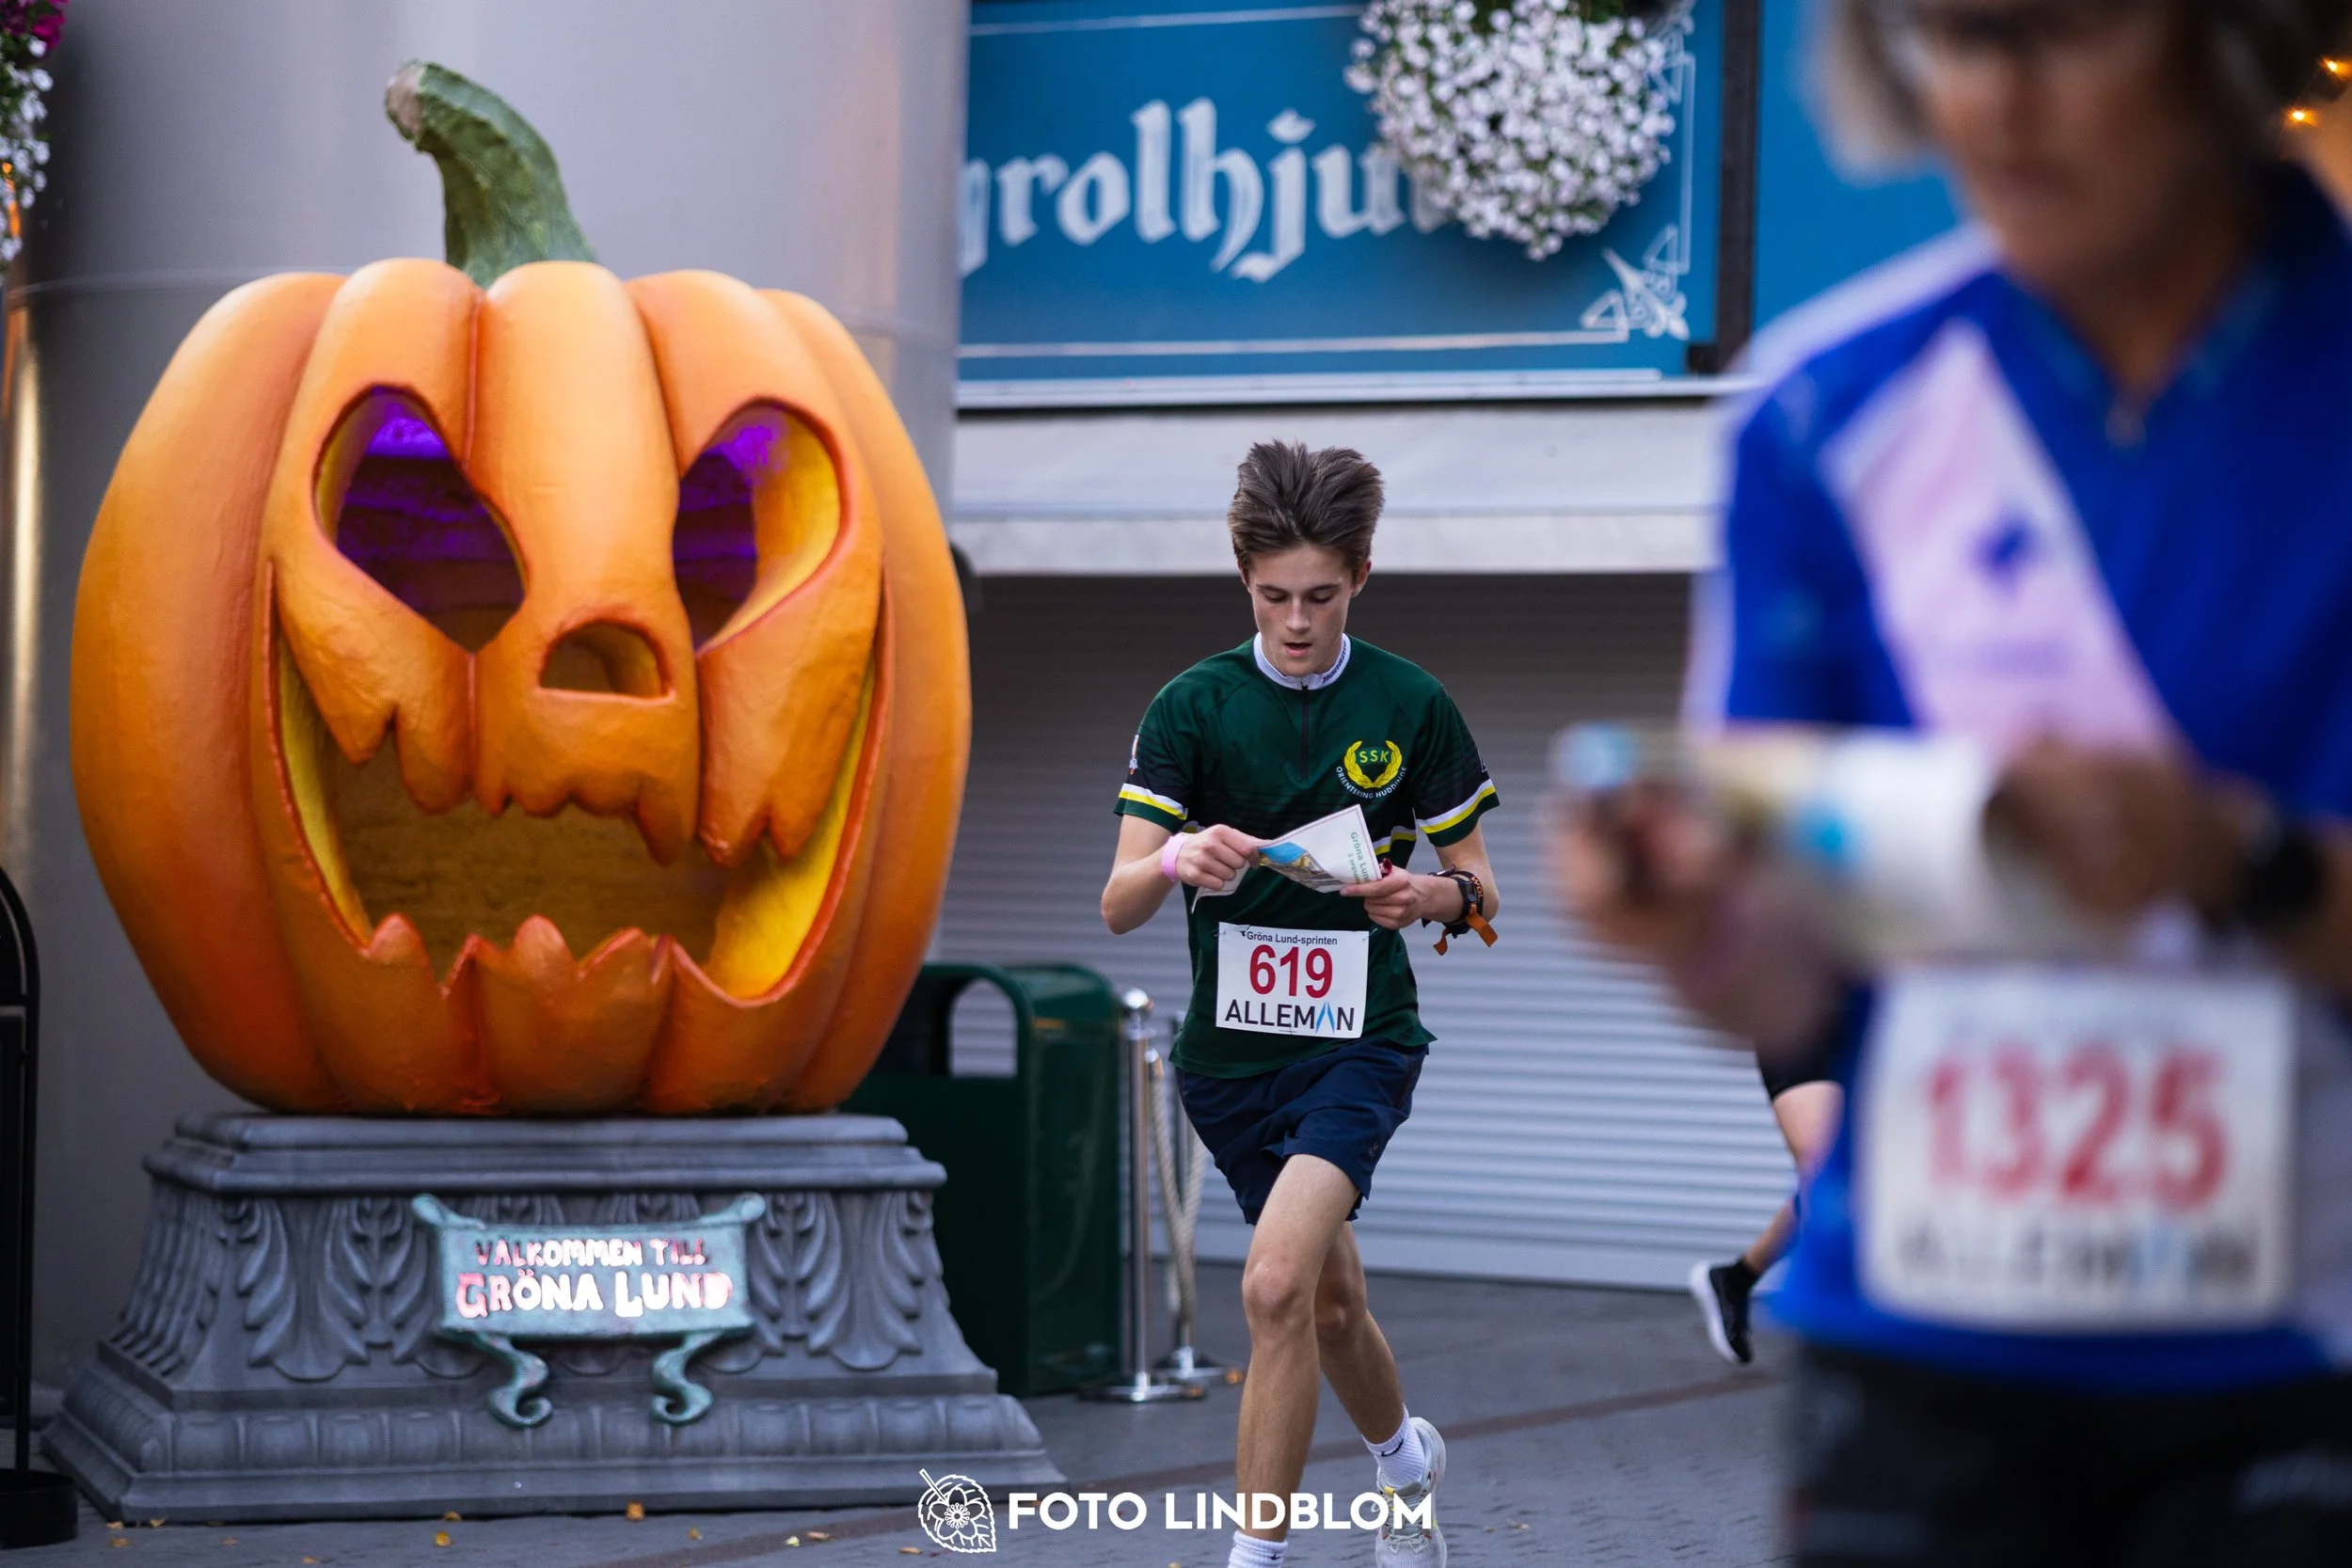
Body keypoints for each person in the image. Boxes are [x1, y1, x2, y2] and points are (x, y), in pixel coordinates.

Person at [1560, 0, 2352, 1559]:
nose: (1995, 97)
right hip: (1915, 1348)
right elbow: (1793, 983)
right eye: (1950, 34)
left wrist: (2235, 858)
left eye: (2056, 30)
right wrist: (1687, 923)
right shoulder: (1820, 410)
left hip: (2301, 1353)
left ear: (2222, 36)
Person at [1102, 441, 1499, 1568]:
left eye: (1319, 596)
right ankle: (1407, 1459)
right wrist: (1179, 858)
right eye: (1273, 595)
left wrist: (1431, 891)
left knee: (1273, 1283)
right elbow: (1118, 902)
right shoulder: (1192, 707)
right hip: (1226, 1064)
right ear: (1243, 578)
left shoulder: (1409, 703)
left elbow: (1480, 893)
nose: (1295, 621)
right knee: (1327, 1306)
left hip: (1359, 1044)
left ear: (1361, 577)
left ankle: (1254, 1555)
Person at [1691, 1054, 1842, 1367]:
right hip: (1810, 1035)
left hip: (1886, 1030)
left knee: (1872, 1180)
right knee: (1829, 1171)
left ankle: (1734, 1280)